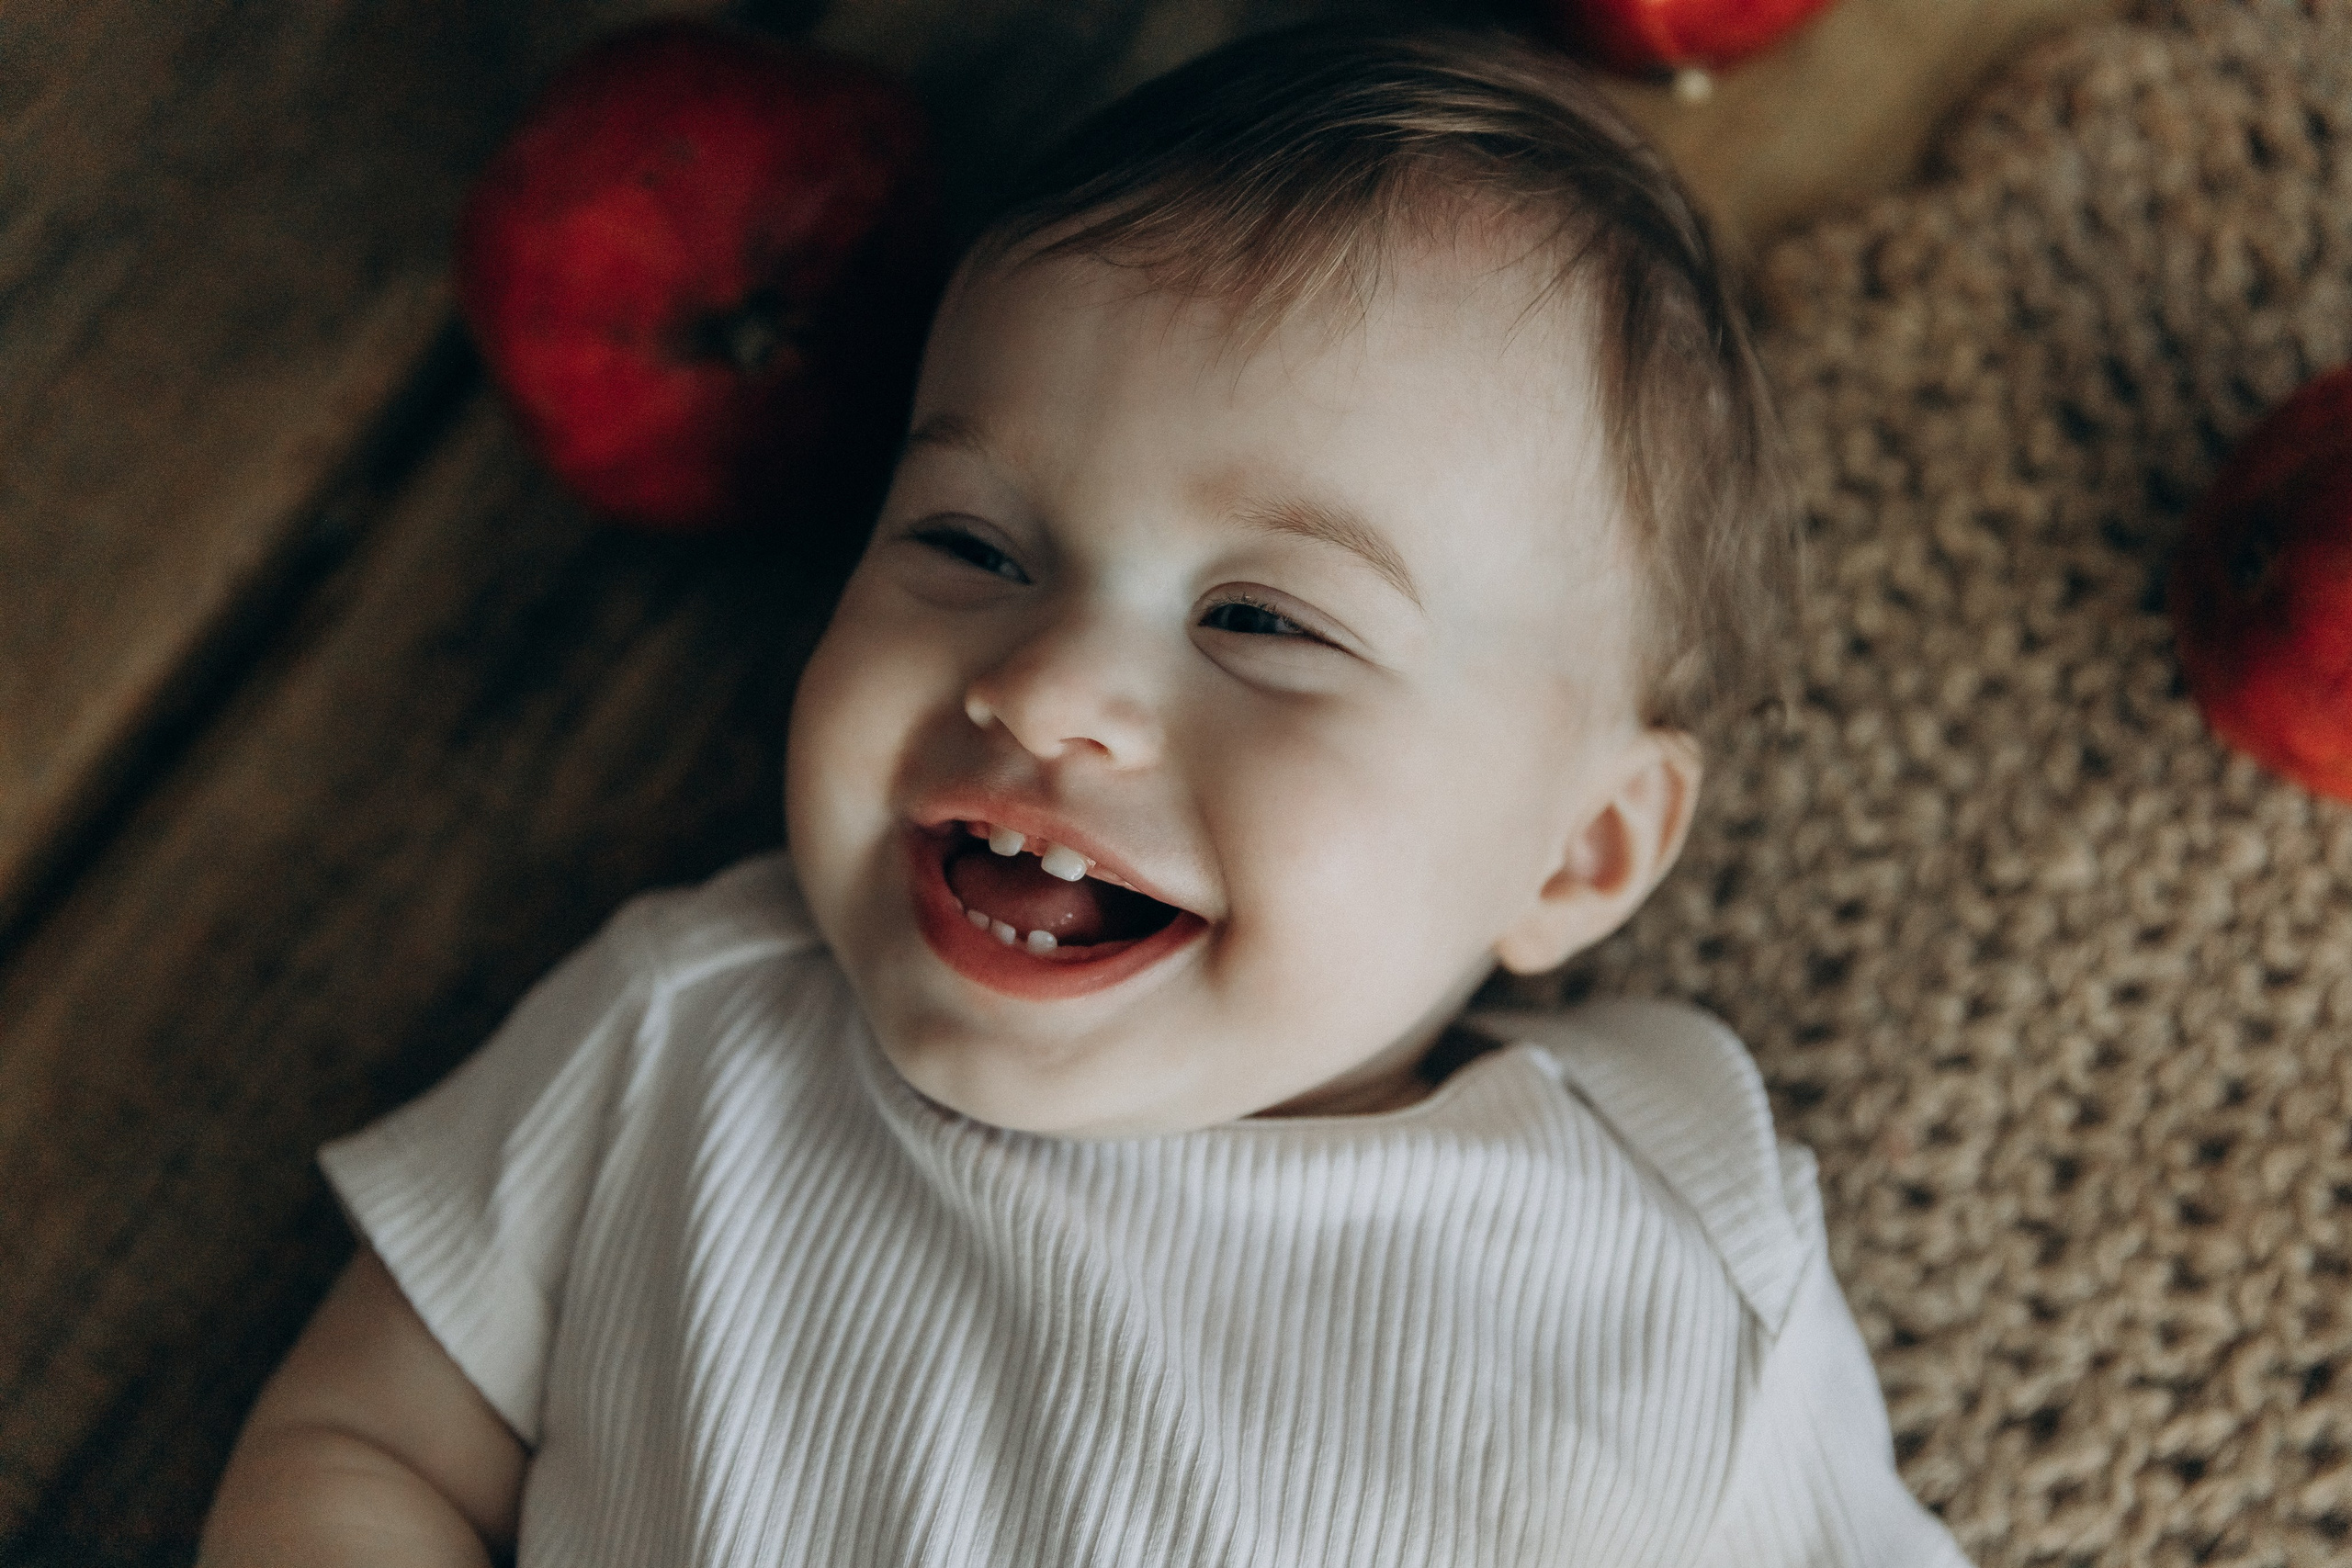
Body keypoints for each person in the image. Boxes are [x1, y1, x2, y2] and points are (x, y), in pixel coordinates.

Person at [200, 24, 1971, 1567]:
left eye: (1264, 620)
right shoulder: (691, 1033)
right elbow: (359, 1450)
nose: (1043, 687)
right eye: (969, 544)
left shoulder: (1666, 1268)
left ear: (1580, 850)